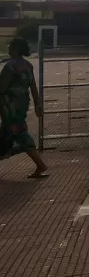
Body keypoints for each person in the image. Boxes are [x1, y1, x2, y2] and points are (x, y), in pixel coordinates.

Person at [0, 37, 49, 178]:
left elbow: (2, 88)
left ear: (16, 49)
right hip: (21, 104)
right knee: (7, 134)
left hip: (9, 106)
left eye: (11, 46)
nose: (9, 48)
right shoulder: (27, 65)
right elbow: (33, 87)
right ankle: (40, 165)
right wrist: (38, 104)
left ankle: (41, 164)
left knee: (18, 133)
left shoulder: (10, 67)